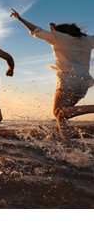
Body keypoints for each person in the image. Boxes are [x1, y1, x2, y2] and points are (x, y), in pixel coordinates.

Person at [10, 9, 94, 142]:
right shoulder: (88, 39)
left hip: (68, 80)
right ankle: (67, 144)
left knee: (59, 113)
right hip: (84, 82)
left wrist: (20, 18)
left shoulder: (56, 36)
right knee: (62, 114)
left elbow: (36, 30)